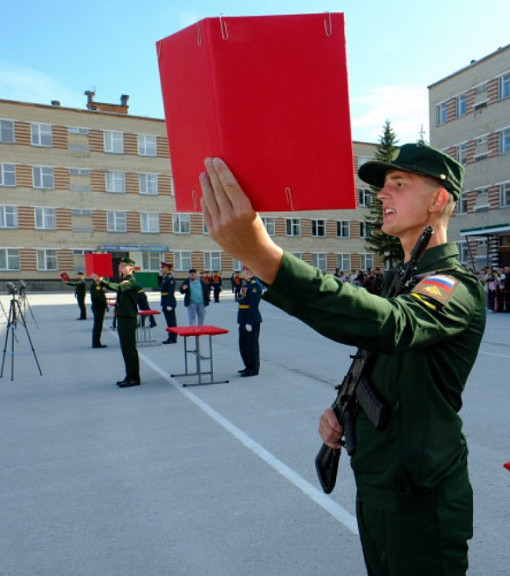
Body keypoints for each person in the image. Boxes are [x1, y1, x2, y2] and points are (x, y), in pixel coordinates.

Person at [200, 142, 486, 576]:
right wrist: (344, 409)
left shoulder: (453, 285)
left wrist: (266, 258)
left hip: (420, 497)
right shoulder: (403, 281)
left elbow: (392, 325)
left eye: (399, 184)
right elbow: (386, 362)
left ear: (439, 199)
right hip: (379, 483)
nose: (382, 195)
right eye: (383, 187)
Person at [93, 257, 141, 388]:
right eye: (120, 266)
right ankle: (129, 375)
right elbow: (121, 296)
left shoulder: (131, 282)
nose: (120, 267)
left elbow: (119, 288)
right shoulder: (124, 280)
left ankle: (134, 378)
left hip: (128, 319)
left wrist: (102, 281)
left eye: (123, 266)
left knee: (129, 349)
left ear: (131, 268)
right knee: (125, 349)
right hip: (123, 317)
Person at [236, 266, 262, 377]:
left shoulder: (255, 286)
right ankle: (247, 366)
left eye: (244, 271)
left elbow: (253, 305)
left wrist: (249, 322)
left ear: (249, 272)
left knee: (251, 345)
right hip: (243, 318)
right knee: (243, 345)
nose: (242, 273)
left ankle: (253, 368)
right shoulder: (246, 284)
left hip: (250, 319)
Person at [158, 262, 179, 344]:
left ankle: (172, 337)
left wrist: (169, 304)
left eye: (163, 268)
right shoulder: (165, 278)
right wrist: (159, 276)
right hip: (165, 301)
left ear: (167, 268)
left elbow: (170, 292)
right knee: (169, 320)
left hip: (168, 302)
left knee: (171, 321)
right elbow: (160, 286)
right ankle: (172, 336)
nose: (162, 269)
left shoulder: (170, 279)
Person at [90, 275, 108, 349]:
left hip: (100, 307)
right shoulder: (95, 285)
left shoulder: (99, 284)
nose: (102, 278)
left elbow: (104, 291)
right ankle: (96, 343)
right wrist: (104, 300)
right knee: (98, 325)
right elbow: (98, 296)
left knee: (99, 325)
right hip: (98, 307)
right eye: (100, 277)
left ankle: (97, 342)